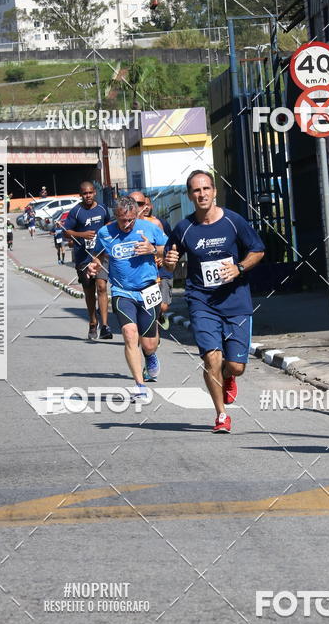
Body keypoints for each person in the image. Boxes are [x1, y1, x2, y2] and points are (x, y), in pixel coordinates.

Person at [164, 170, 265, 433]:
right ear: (189, 195)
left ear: (214, 192)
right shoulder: (184, 228)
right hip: (201, 301)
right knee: (212, 358)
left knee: (235, 366)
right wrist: (169, 262)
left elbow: (258, 249)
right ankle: (221, 415)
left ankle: (229, 377)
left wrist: (239, 269)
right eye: (196, 190)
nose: (202, 194)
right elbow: (169, 256)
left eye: (206, 188)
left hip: (235, 301)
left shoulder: (233, 221)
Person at [88, 195, 168, 402]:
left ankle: (150, 356)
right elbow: (98, 254)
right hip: (123, 292)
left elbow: (168, 250)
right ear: (116, 216)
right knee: (129, 332)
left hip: (148, 290)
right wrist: (93, 264)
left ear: (136, 214)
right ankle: (140, 386)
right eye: (122, 220)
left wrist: (153, 250)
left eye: (130, 219)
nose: (127, 224)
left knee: (149, 344)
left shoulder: (149, 228)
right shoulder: (106, 233)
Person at [63, 181, 113, 341]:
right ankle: (93, 322)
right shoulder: (76, 212)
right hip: (83, 257)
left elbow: (109, 225)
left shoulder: (103, 208)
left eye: (90, 192)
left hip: (101, 255)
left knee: (102, 286)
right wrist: (81, 235)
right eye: (85, 193)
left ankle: (105, 326)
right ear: (80, 195)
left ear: (94, 193)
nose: (88, 196)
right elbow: (66, 232)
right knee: (90, 291)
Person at [143, 194, 173, 331]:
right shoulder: (134, 226)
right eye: (142, 205)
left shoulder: (159, 223)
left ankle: (160, 315)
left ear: (151, 206)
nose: (145, 207)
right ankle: (153, 332)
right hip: (149, 270)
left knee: (163, 305)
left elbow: (170, 244)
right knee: (150, 304)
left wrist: (161, 255)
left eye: (147, 204)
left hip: (163, 268)